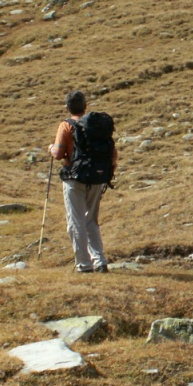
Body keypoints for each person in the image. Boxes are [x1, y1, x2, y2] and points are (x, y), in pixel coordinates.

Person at [47, 90, 117, 273]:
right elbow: (113, 154)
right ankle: (100, 261)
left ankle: (84, 265)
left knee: (76, 221)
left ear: (67, 107)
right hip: (97, 178)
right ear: (85, 106)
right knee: (91, 220)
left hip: (74, 178)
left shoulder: (66, 126)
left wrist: (51, 148)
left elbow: (58, 154)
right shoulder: (96, 125)